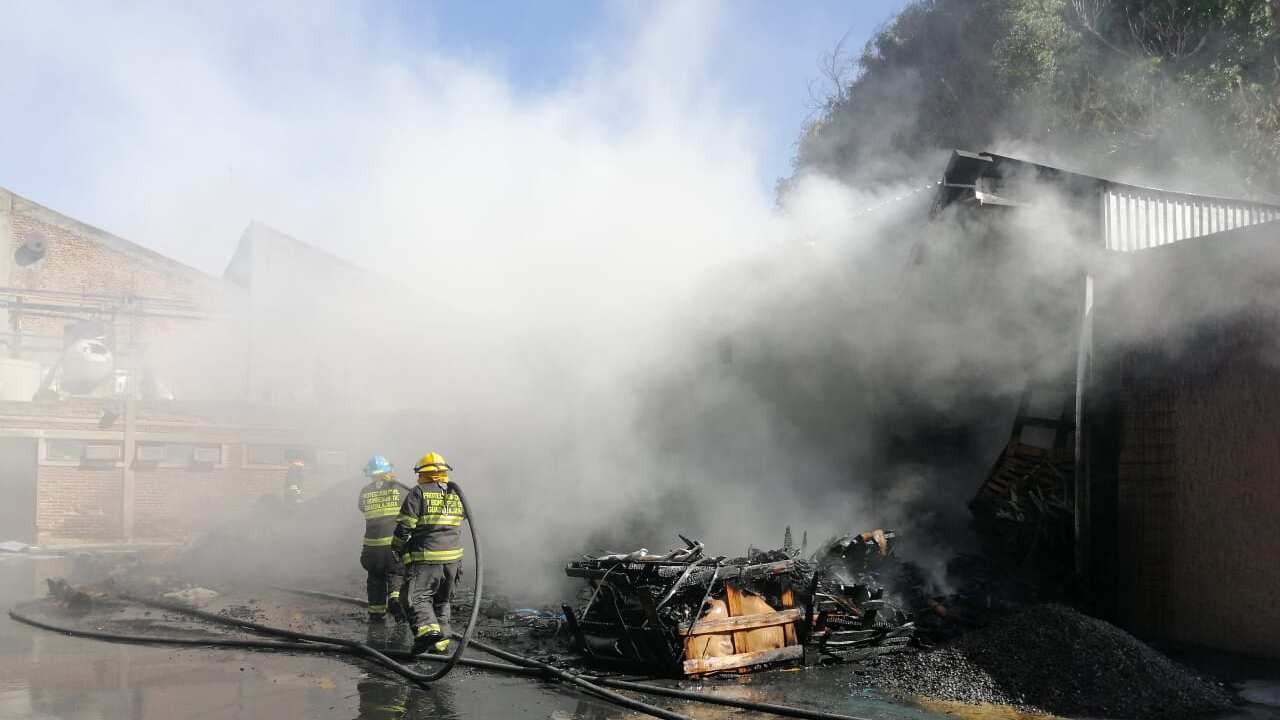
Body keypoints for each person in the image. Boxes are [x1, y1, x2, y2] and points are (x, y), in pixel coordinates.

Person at [392, 451, 466, 655]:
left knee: (416, 598)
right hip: (453, 559)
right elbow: (463, 517)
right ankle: (441, 643)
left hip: (427, 556)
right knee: (442, 600)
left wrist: (396, 546)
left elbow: (405, 526)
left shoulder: (418, 492)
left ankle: (427, 633)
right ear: (443, 471)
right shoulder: (455, 493)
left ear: (422, 472)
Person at [358, 455, 410, 623]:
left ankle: (376, 614)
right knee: (397, 574)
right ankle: (395, 602)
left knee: (375, 579)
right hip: (393, 546)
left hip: (371, 549)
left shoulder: (365, 491)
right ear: (389, 471)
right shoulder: (401, 490)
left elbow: (362, 507)